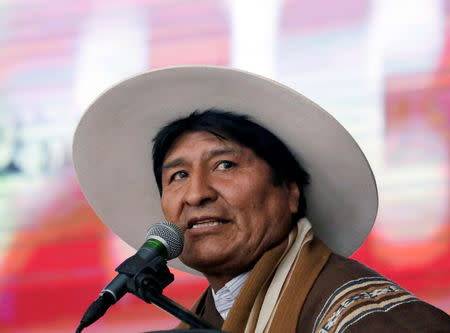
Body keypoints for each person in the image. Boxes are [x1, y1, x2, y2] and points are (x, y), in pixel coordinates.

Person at [72, 66, 450, 332]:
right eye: (178, 176)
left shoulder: (370, 320)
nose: (197, 193)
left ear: (289, 192)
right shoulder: (206, 316)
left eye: (224, 165)